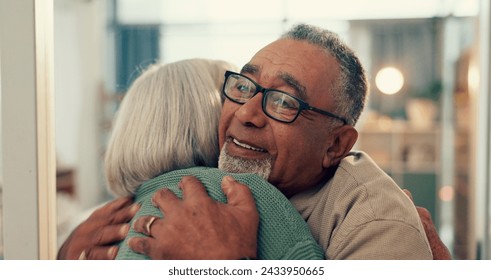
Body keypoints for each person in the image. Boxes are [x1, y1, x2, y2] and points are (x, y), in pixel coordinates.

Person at [57, 24, 452, 260]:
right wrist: (64, 257)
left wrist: (225, 264)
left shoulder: (370, 221)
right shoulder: (206, 182)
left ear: (335, 145)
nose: (247, 113)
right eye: (244, 87)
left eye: (284, 101)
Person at [102, 58, 325, 260]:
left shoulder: (108, 228)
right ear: (210, 117)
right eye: (238, 94)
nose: (245, 112)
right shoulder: (246, 193)